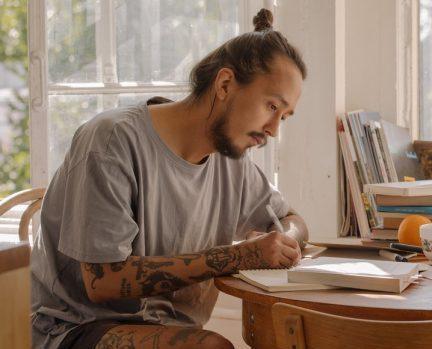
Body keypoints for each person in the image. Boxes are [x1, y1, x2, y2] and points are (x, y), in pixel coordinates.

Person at [30, 9, 308, 349]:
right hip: (75, 329)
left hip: (171, 327)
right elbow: (102, 282)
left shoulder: (231, 161)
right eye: (271, 107)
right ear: (224, 85)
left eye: (285, 116)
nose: (274, 129)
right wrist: (239, 256)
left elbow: (290, 218)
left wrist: (286, 240)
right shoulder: (111, 141)